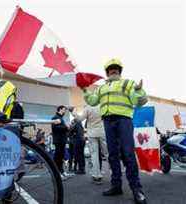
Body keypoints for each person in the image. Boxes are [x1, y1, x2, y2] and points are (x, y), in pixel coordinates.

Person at [82, 58, 148, 204]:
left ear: (120, 70)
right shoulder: (101, 88)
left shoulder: (128, 83)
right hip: (107, 122)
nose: (113, 70)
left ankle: (137, 189)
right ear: (107, 72)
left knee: (128, 154)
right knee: (112, 155)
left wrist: (138, 91)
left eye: (116, 68)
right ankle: (116, 185)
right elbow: (92, 101)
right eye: (111, 68)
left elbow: (140, 101)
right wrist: (85, 90)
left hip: (124, 120)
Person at [70, 105, 107, 183]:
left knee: (94, 155)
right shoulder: (102, 106)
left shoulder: (88, 107)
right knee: (107, 153)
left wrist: (73, 112)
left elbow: (79, 119)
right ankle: (115, 172)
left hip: (92, 133)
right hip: (102, 132)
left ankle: (97, 176)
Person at [51, 105, 69, 176]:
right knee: (57, 157)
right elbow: (55, 128)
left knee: (61, 156)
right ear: (60, 109)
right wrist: (66, 127)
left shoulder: (61, 118)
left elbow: (62, 128)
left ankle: (61, 171)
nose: (65, 111)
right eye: (64, 110)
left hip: (62, 140)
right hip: (58, 140)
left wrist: (67, 128)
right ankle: (57, 172)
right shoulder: (55, 117)